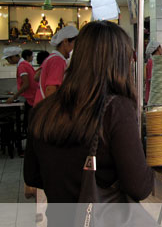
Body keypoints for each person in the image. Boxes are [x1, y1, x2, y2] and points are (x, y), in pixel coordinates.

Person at [24, 21, 153, 226]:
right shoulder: (116, 108)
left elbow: (32, 176)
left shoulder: (42, 110)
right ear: (119, 62)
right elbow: (140, 186)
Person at [33, 26, 79, 105]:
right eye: (75, 43)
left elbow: (37, 76)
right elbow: (50, 89)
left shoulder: (52, 58)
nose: (77, 47)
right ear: (65, 41)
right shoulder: (57, 61)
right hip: (47, 111)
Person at [144, 40, 162, 104]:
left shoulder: (154, 61)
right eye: (160, 47)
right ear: (157, 49)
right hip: (153, 98)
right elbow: (152, 80)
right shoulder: (152, 62)